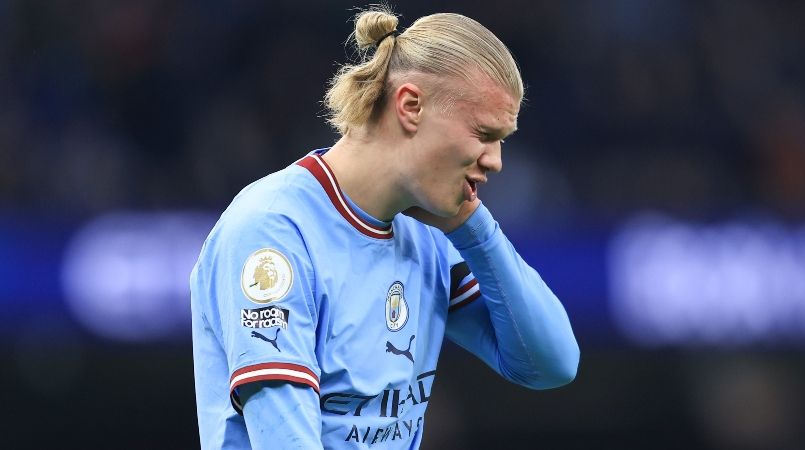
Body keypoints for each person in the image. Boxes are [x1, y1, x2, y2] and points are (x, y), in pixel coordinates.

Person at [190, 7, 579, 449]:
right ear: (411, 106)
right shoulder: (273, 230)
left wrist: (474, 228)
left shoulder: (428, 232)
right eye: (484, 134)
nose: (496, 161)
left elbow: (551, 364)